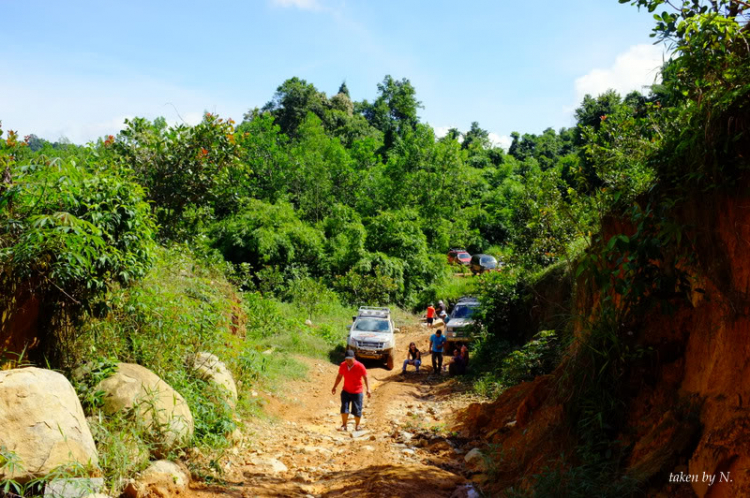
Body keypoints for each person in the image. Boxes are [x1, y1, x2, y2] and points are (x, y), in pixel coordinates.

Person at [331, 350, 371, 431]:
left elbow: (365, 377)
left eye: (350, 359)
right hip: (346, 390)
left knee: (357, 409)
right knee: (344, 408)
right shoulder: (343, 365)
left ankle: (357, 425)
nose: (348, 361)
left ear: (354, 358)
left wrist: (368, 389)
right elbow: (339, 376)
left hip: (357, 391)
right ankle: (344, 425)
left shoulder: (360, 366)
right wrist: (335, 386)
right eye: (347, 359)